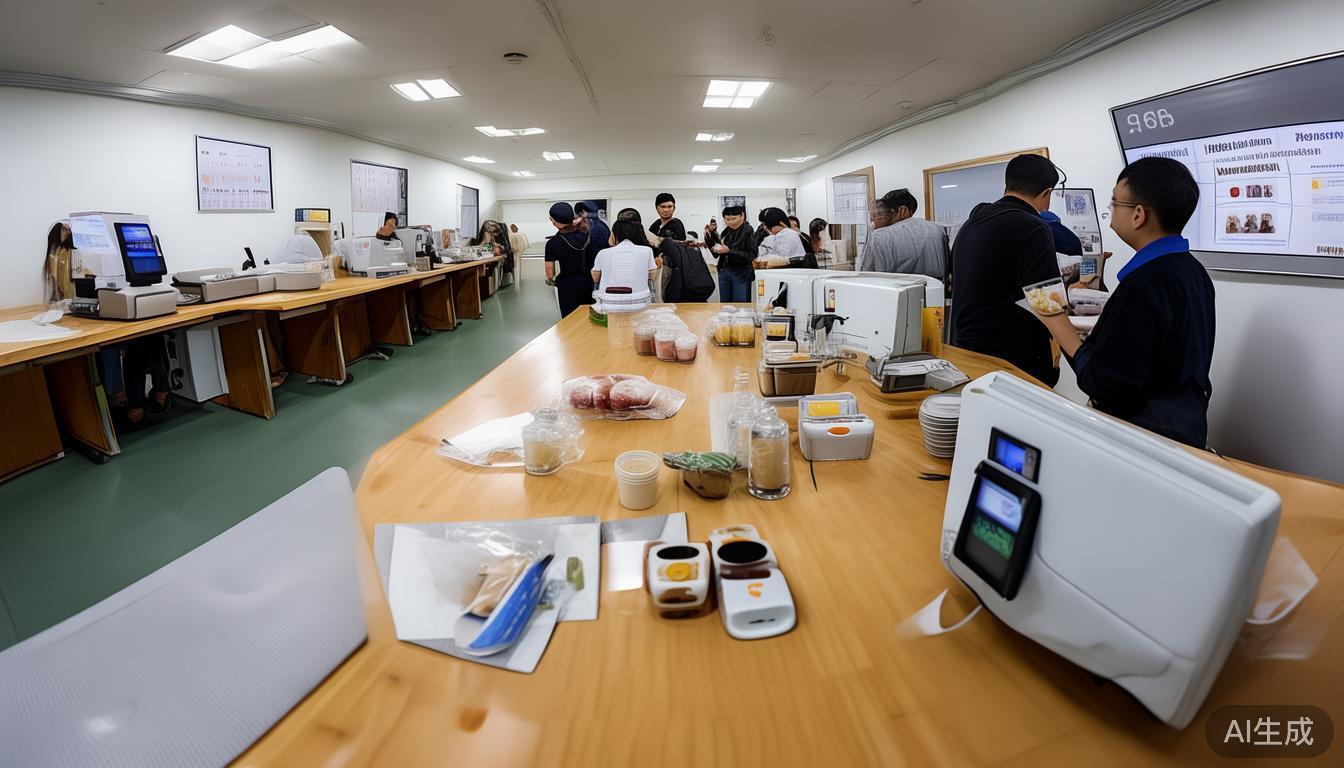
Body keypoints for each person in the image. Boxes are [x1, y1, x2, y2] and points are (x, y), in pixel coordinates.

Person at [1029, 157, 1214, 448]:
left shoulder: (1142, 285)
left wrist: (1057, 322)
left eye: (1115, 202)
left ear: (1138, 215)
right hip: (1186, 428)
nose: (1111, 210)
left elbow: (1103, 383)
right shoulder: (1193, 271)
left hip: (1142, 439)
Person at [949, 154, 1064, 386]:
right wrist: (1081, 357)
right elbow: (1047, 306)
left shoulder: (970, 225)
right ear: (1047, 193)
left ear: (1007, 185)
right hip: (1009, 357)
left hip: (965, 348)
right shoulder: (1034, 227)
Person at [859, 188, 949, 282]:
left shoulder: (877, 236)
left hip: (893, 290)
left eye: (886, 211)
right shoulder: (938, 229)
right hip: (937, 290)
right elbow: (947, 267)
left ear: (903, 211)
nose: (880, 217)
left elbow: (864, 277)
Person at [544, 202, 596, 317]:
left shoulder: (553, 243)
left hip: (567, 286)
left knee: (569, 318)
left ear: (554, 222)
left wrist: (550, 281)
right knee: (586, 317)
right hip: (588, 282)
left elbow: (549, 273)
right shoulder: (586, 236)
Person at [592, 220, 657, 295]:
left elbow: (595, 275)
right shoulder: (647, 251)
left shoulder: (603, 253)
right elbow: (653, 274)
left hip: (608, 298)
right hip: (639, 298)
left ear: (615, 234)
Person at [711, 205, 756, 302]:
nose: (730, 222)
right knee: (725, 306)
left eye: (734, 218)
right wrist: (709, 238)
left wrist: (729, 251)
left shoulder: (748, 230)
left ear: (742, 216)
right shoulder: (726, 231)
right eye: (727, 219)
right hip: (723, 271)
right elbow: (716, 254)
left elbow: (751, 255)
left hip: (741, 273)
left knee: (741, 306)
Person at [43, 221, 75, 305]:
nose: (67, 232)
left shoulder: (68, 251)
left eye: (68, 230)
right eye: (64, 230)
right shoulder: (54, 253)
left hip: (67, 295)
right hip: (62, 295)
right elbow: (55, 275)